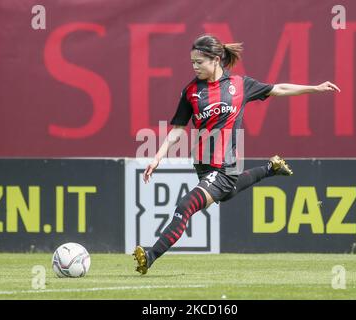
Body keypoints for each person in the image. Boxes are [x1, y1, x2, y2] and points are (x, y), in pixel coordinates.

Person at [133, 34, 340, 274]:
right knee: (227, 193)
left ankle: (150, 256)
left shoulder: (240, 85)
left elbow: (279, 88)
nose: (194, 67)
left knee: (186, 205)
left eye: (199, 62)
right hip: (202, 163)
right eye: (192, 62)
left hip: (224, 166)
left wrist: (314, 88)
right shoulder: (191, 91)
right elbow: (178, 129)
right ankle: (270, 168)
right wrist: (158, 156)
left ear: (216, 60)